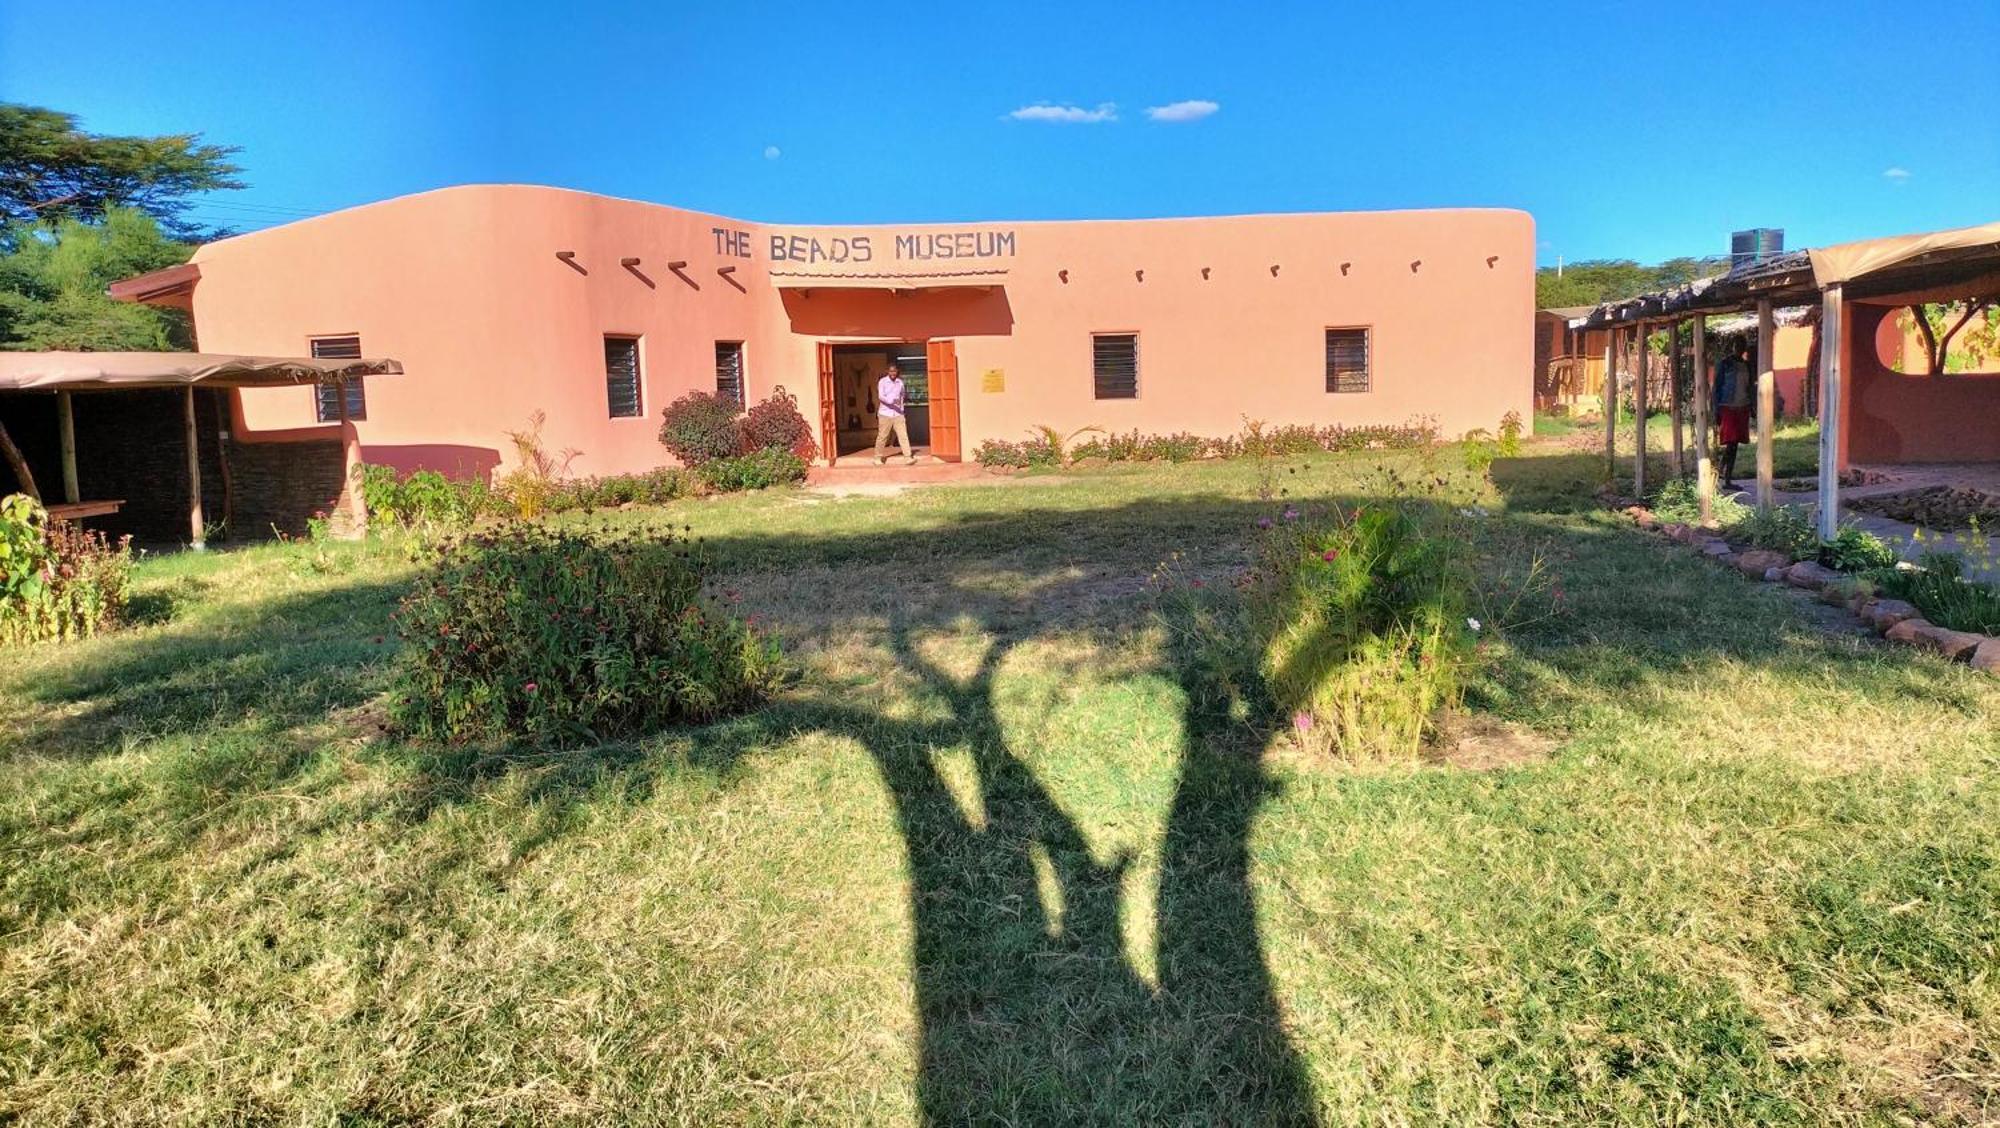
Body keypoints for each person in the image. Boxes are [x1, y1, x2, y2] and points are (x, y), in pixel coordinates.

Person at [1713, 339, 1754, 487]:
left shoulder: (1747, 365)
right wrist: (1716, 410)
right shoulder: (1724, 364)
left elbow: (1750, 387)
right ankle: (1719, 473)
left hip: (1742, 407)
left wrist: (1753, 407)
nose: (1739, 348)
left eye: (1742, 346)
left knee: (1735, 444)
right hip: (1727, 406)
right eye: (1737, 345)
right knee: (1730, 442)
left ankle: (1726, 477)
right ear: (1733, 346)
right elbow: (1717, 387)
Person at [873, 363, 916, 465]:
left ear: (897, 372)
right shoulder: (882, 382)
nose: (893, 373)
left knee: (903, 435)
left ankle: (908, 457)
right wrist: (892, 401)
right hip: (885, 414)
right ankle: (877, 458)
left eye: (894, 371)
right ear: (888, 371)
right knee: (882, 436)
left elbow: (902, 396)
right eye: (891, 371)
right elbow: (881, 396)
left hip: (898, 414)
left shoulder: (900, 383)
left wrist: (901, 409)